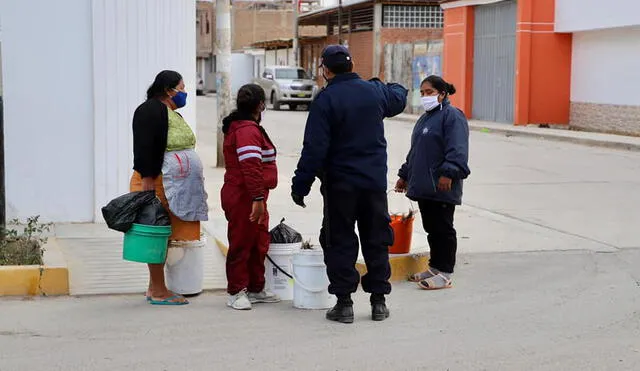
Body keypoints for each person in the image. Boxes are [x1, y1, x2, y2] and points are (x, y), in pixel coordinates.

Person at [291, 45, 408, 324]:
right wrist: (378, 82)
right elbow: (399, 95)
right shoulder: (374, 92)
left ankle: (344, 304)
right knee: (376, 239)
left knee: (339, 240)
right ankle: (379, 302)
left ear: (325, 70)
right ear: (352, 64)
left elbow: (314, 148)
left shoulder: (326, 99)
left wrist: (301, 185)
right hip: (373, 184)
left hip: (340, 185)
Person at [131, 70, 209, 305]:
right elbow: (144, 147)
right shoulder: (150, 110)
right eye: (182, 88)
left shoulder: (169, 112)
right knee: (158, 235)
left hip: (171, 184)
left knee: (165, 234)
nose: (185, 93)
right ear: (168, 89)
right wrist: (147, 183)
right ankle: (158, 291)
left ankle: (154, 287)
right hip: (155, 182)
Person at [395, 75, 470, 290]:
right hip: (425, 186)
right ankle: (434, 267)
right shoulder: (426, 118)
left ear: (442, 94)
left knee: (443, 228)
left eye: (429, 92)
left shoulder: (452, 116)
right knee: (432, 228)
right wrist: (404, 175)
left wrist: (449, 173)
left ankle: (445, 273)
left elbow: (457, 149)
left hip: (442, 184)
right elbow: (416, 152)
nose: (425, 97)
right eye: (422, 93)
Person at [221, 84, 280, 310]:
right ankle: (236, 291)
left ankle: (256, 288)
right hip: (244, 196)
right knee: (242, 242)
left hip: (255, 195)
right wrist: (256, 198)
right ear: (261, 105)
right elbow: (251, 166)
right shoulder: (246, 130)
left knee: (258, 242)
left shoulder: (248, 127)